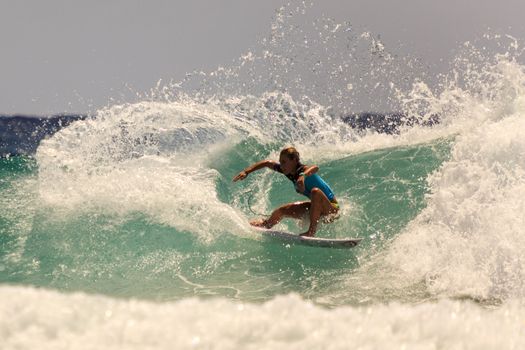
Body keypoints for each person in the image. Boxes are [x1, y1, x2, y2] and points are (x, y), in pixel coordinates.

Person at [232, 146, 339, 237]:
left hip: (331, 209)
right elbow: (267, 163)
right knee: (281, 211)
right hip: (316, 208)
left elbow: (315, 167)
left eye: (284, 162)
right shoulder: (287, 171)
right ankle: (266, 224)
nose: (281, 166)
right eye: (280, 162)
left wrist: (303, 176)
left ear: (295, 160)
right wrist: (246, 171)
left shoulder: (303, 170)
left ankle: (311, 231)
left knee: (315, 191)